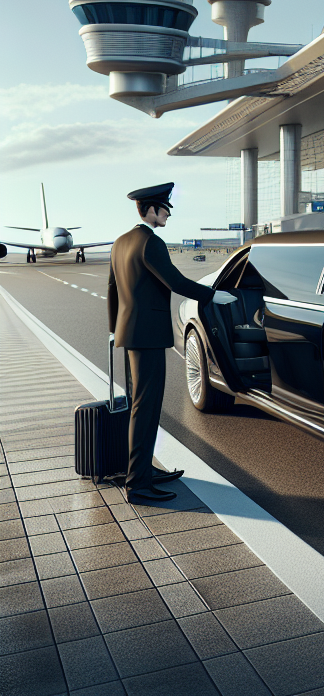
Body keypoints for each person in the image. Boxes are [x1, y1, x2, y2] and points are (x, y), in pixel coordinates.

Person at [108, 183, 236, 504]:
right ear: (151, 209)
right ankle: (138, 485)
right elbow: (176, 281)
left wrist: (114, 329)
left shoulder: (122, 242)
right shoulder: (151, 243)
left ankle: (142, 469)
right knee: (146, 407)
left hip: (129, 334)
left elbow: (112, 289)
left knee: (139, 404)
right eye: (165, 208)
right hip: (148, 337)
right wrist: (213, 295)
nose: (167, 214)